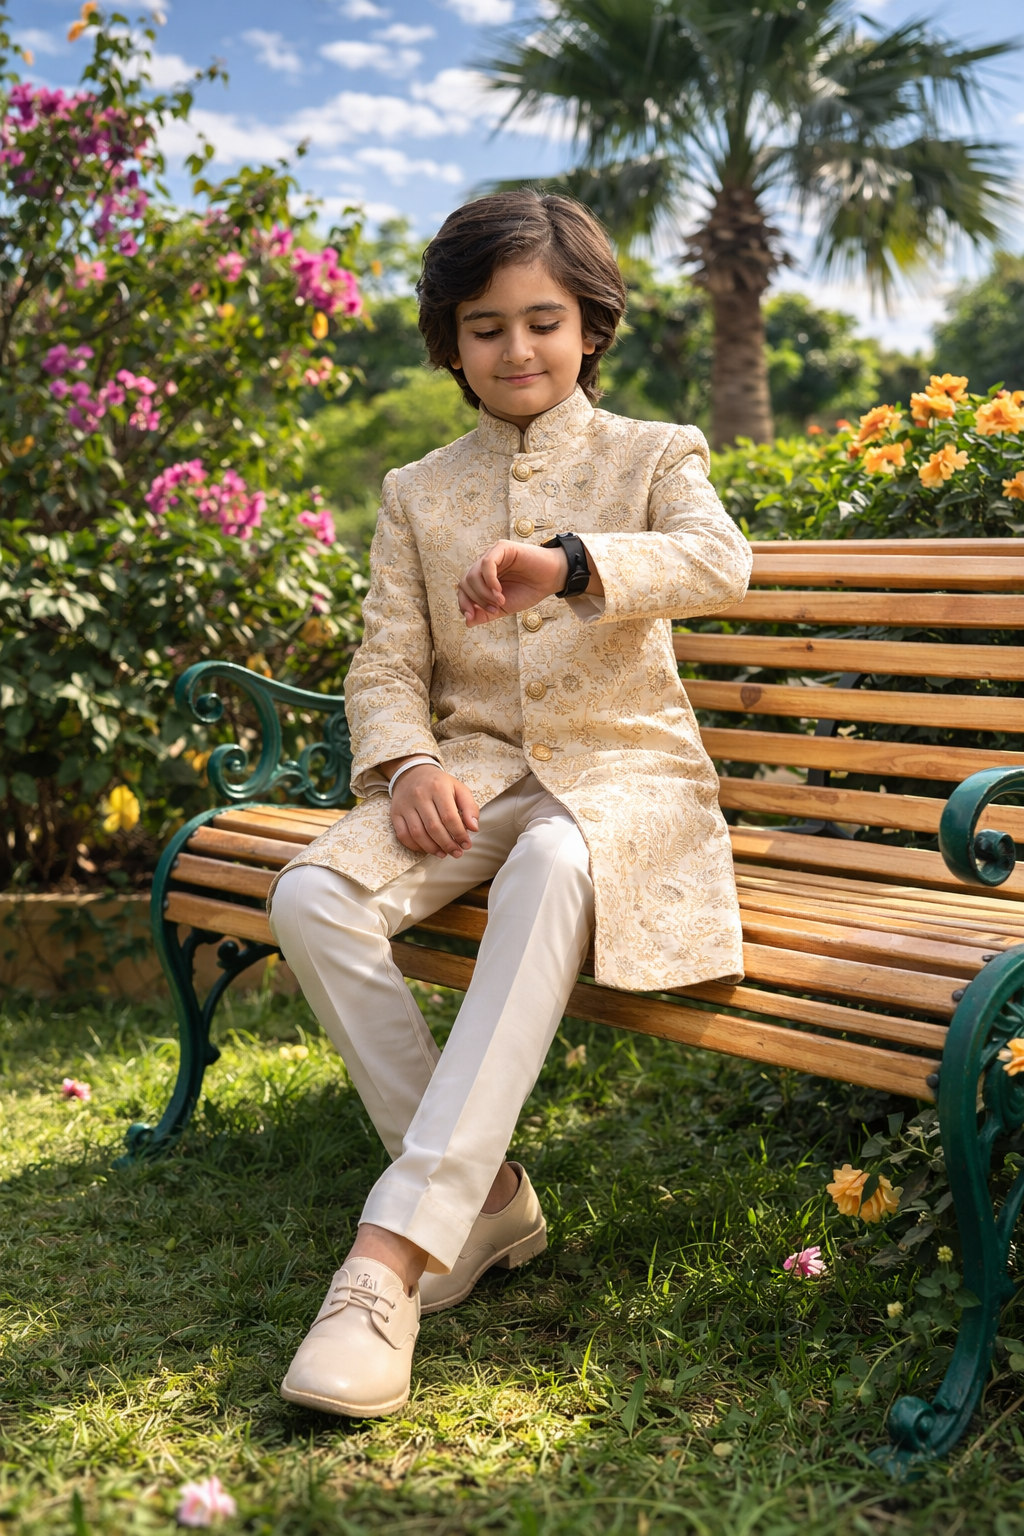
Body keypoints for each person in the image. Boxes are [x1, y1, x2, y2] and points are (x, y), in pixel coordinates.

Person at [268, 189, 753, 1418]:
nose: (517, 348)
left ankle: (387, 1264)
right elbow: (385, 663)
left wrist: (572, 563)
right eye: (485, 327)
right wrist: (405, 765)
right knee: (312, 894)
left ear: (590, 326)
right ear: (450, 341)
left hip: (628, 780)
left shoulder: (654, 453)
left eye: (544, 320)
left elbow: (720, 563)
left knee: (548, 862)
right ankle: (481, 1199)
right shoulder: (414, 489)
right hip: (472, 775)